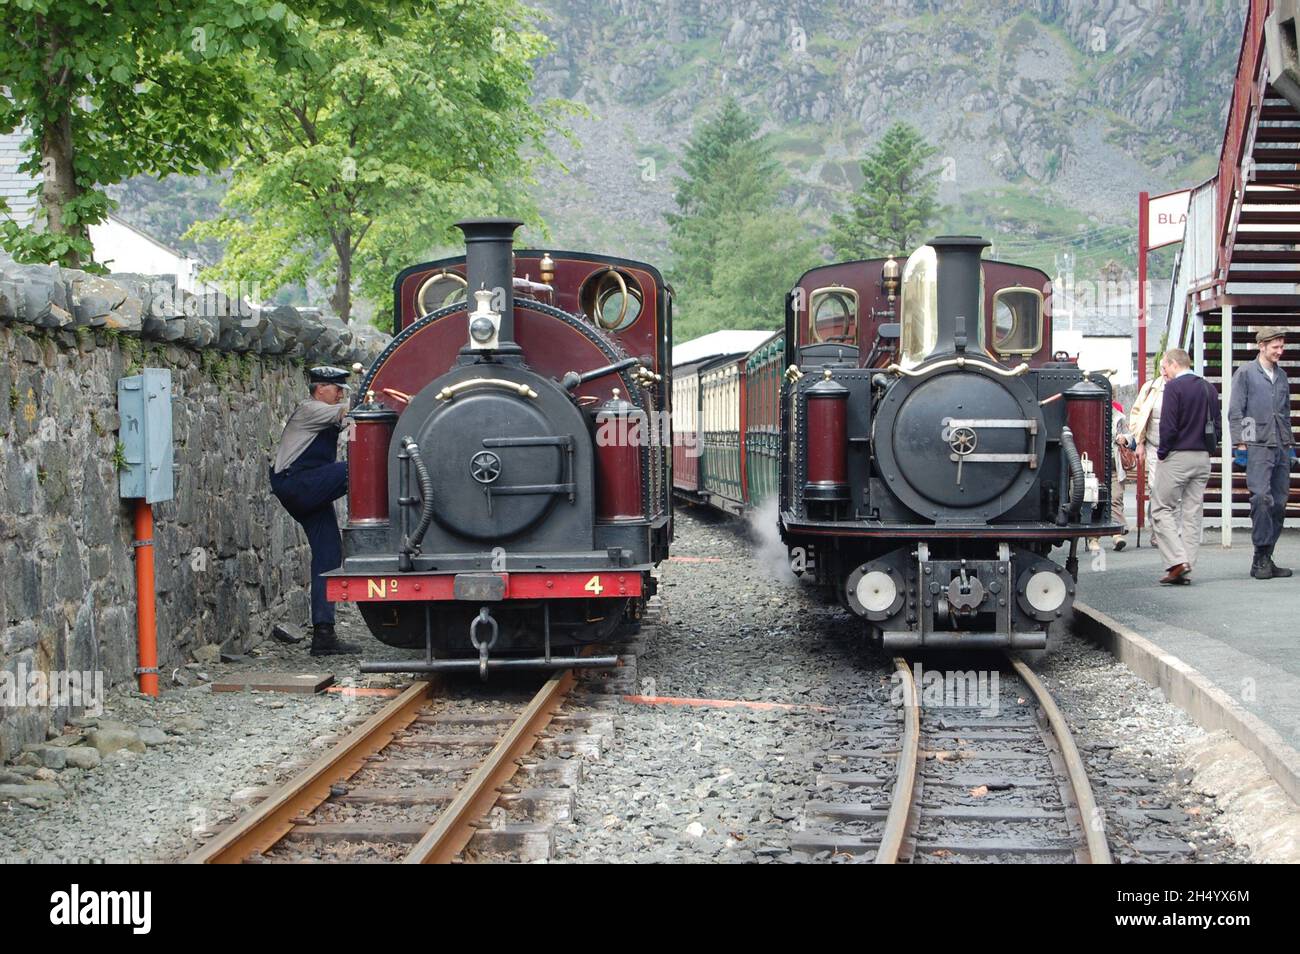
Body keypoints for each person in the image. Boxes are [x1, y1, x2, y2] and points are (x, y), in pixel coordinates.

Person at [270, 366, 360, 655]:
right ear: (320, 388)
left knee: (328, 553)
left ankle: (323, 635)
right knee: (360, 470)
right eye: (337, 389)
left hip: (308, 486)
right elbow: (352, 411)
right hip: (298, 483)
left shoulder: (323, 413)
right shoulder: (311, 409)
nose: (339, 395)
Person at [1229, 327, 1295, 579]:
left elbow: (1285, 414)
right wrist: (1242, 445)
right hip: (1257, 445)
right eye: (1275, 347)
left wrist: (1290, 446)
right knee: (1261, 500)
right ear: (1262, 346)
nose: (1280, 351)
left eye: (1282, 346)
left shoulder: (1282, 376)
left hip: (1280, 446)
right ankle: (1260, 557)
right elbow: (1237, 411)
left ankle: (1267, 555)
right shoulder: (1245, 373)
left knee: (1279, 503)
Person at [1151, 348, 1219, 585]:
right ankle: (1187, 565)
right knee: (1192, 513)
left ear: (1172, 364)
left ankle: (1178, 561)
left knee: (1161, 509)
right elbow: (1217, 425)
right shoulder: (1208, 387)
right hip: (1203, 458)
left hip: (1178, 455)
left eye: (1165, 368)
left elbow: (1168, 426)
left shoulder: (1173, 388)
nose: (1164, 373)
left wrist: (1162, 453)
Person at [1129, 363, 1168, 530]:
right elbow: (1137, 415)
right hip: (1154, 444)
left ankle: (1169, 528)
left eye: (1167, 367)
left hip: (1176, 447)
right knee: (1155, 487)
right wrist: (1139, 442)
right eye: (1162, 368)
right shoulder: (1151, 387)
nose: (1164, 372)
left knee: (1171, 490)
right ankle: (1157, 529)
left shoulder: (1182, 387)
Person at [1110, 399, 1134, 550]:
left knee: (1116, 497)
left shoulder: (1117, 412)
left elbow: (1129, 436)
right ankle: (1094, 537)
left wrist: (1124, 439)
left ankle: (1117, 533)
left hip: (1114, 462)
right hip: (1094, 462)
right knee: (1093, 500)